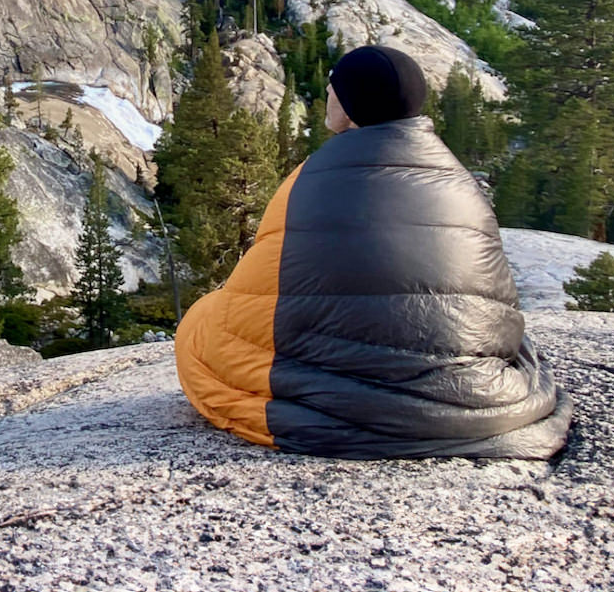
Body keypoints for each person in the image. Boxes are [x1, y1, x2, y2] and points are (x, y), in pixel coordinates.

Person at [174, 44, 572, 459]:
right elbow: (499, 305)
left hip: (338, 397)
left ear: (350, 106)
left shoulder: (310, 180)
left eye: (333, 88)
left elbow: (257, 298)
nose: (326, 93)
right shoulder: (460, 181)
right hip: (480, 395)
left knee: (201, 324)